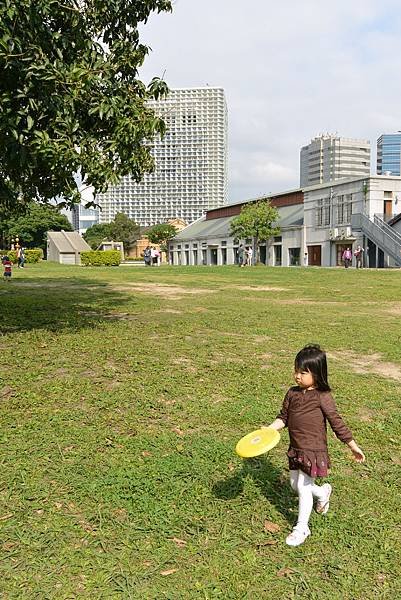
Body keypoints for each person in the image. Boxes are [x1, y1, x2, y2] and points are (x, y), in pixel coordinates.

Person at [265, 344, 365, 547]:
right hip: (296, 449)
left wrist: (353, 446)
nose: (297, 376)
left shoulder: (322, 397)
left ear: (317, 374)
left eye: (303, 372)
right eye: (296, 370)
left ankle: (302, 527)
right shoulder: (292, 393)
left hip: (313, 451)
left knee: (303, 487)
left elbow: (337, 422)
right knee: (296, 486)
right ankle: (322, 492)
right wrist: (268, 430)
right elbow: (283, 418)